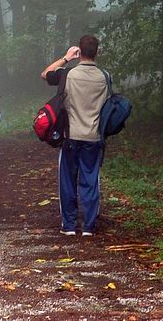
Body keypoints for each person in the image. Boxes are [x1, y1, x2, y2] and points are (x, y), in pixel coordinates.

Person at [41, 35, 108, 236]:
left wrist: (66, 57)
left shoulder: (67, 74)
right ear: (97, 52)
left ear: (79, 51)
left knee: (68, 180)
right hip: (94, 136)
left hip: (70, 135)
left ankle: (69, 225)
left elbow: (45, 74)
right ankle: (88, 225)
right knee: (90, 179)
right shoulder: (104, 77)